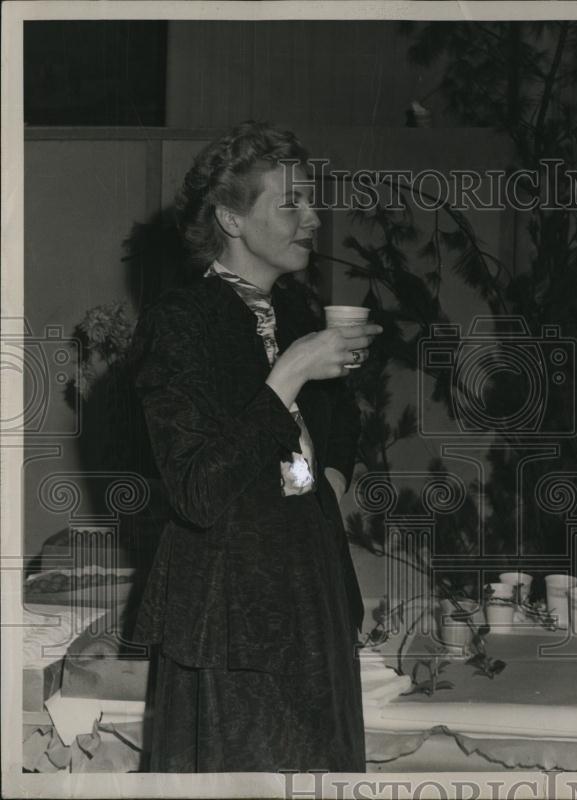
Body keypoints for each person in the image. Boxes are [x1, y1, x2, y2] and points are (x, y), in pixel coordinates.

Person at [130, 120, 382, 772]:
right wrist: (288, 375)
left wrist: (328, 483)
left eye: (312, 201)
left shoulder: (297, 311)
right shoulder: (180, 323)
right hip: (231, 618)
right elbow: (196, 490)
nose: (313, 218)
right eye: (291, 203)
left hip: (316, 596)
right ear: (232, 220)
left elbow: (341, 422)